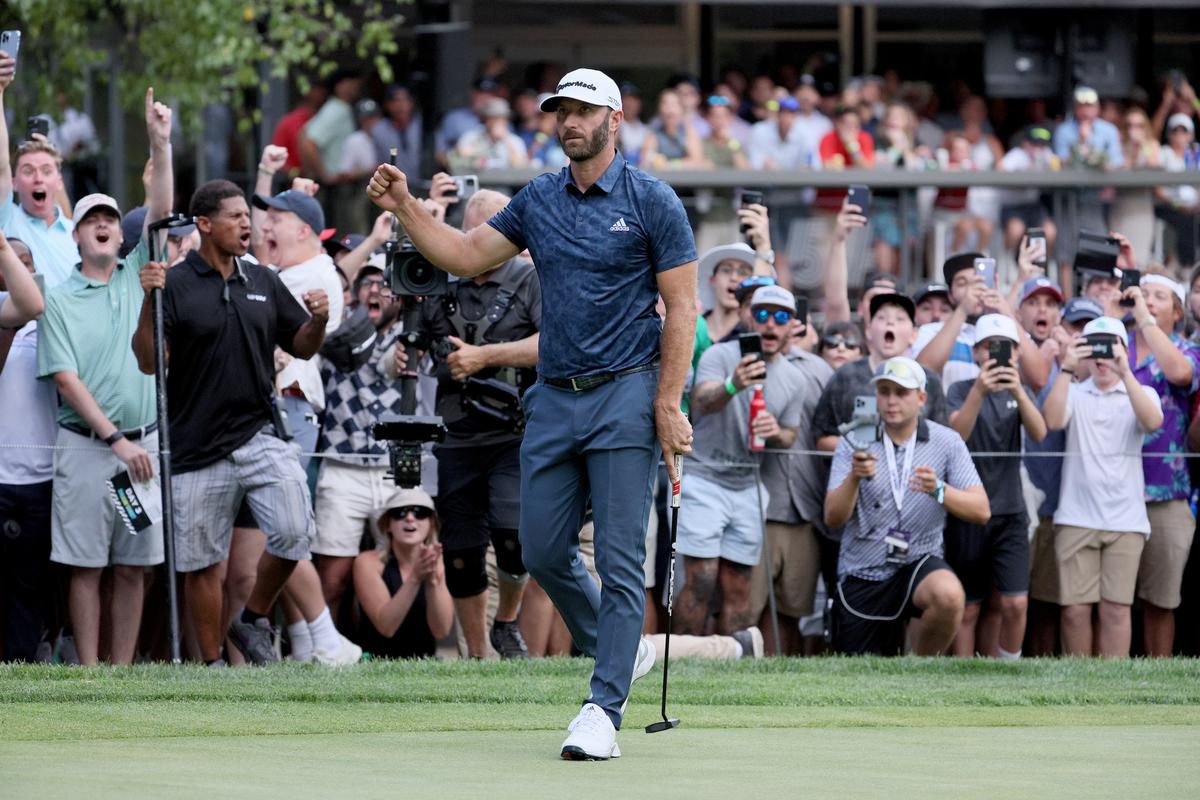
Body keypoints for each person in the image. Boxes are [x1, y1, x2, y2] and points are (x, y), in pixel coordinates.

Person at [367, 67, 697, 761]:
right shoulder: (539, 199)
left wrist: (668, 402)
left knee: (615, 557)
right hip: (551, 397)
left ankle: (601, 710)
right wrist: (405, 207)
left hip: (627, 394)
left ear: (613, 121)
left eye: (581, 111)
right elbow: (459, 253)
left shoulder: (653, 200)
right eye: (560, 111)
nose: (568, 121)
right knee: (541, 551)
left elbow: (684, 310)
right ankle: (622, 649)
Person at [132, 179, 331, 667]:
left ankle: (254, 618)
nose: (248, 223)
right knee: (202, 567)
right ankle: (211, 664)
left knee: (294, 531)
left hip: (259, 432)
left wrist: (318, 321)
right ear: (204, 224)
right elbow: (149, 361)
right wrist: (148, 300)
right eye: (235, 216)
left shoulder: (261, 279)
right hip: (196, 445)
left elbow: (301, 345)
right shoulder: (174, 283)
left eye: (249, 215)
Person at [35, 90, 173, 666]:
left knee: (134, 566)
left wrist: (160, 143)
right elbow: (65, 379)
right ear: (76, 234)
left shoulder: (134, 275)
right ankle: (89, 676)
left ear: (121, 234)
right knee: (87, 567)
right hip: (92, 449)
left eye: (109, 220)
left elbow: (160, 203)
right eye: (91, 218)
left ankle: (120, 676)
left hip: (141, 442)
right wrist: (116, 441)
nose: (101, 226)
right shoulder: (59, 298)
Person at [412, 190, 541, 660]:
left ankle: (506, 620)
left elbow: (554, 343)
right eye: (468, 234)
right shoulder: (442, 281)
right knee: (462, 550)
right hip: (457, 434)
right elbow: (410, 339)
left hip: (514, 432)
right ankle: (477, 654)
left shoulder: (531, 278)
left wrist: (484, 356)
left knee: (513, 539)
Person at [824, 357, 990, 655]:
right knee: (857, 678)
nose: (891, 401)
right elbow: (832, 518)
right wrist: (854, 478)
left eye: (901, 393)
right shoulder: (853, 439)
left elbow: (981, 510)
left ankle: (918, 669)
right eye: (884, 391)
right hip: (864, 568)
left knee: (949, 595)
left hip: (918, 559)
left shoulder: (947, 441)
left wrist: (938, 489)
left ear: (921, 398)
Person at [679, 285, 804, 638]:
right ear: (749, 316)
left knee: (738, 586)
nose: (770, 324)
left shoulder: (795, 379)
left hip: (748, 486)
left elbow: (792, 434)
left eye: (780, 317)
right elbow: (701, 401)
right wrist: (733, 385)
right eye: (762, 314)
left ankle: (729, 664)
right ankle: (687, 658)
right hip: (704, 478)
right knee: (701, 578)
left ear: (792, 324)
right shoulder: (721, 355)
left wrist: (776, 431)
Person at [1044, 317, 1162, 657]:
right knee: (1074, 611)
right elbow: (1052, 421)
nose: (1101, 356)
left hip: (1126, 519)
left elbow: (1152, 422)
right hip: (1076, 515)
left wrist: (1126, 373)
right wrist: (1066, 369)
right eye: (1093, 346)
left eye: (1109, 347)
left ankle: (1113, 688)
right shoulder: (1074, 391)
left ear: (1125, 350)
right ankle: (1080, 687)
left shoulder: (1142, 392)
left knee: (1116, 608)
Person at [946, 315, 1047, 659]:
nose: (996, 354)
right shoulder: (960, 389)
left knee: (1016, 602)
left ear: (1017, 354)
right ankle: (962, 680)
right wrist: (980, 390)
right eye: (988, 347)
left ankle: (1010, 670)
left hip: (1010, 510)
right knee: (970, 607)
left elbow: (1039, 433)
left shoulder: (1020, 392)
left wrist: (1017, 388)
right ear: (975, 352)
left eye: (1005, 347)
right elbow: (958, 433)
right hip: (968, 512)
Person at [1123, 273, 1200, 656]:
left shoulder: (1188, 351)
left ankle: (1158, 682)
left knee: (1160, 602)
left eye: (1158, 296)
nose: (1147, 300)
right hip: (1112, 493)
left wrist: (1146, 321)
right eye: (1142, 294)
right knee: (1113, 603)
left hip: (1166, 494)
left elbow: (1179, 374)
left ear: (1177, 310)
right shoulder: (1115, 345)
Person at [1023, 296, 1102, 656]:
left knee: (1053, 605)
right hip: (1028, 502)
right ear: (1060, 327)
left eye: (1090, 331)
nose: (1080, 337)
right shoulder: (1039, 363)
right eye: (1075, 328)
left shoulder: (1098, 373)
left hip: (1070, 507)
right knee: (1022, 602)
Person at [0, 233, 49, 661]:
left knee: (30, 584)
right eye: (8, 260)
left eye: (25, 260)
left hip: (42, 475)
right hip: (1, 475)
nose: (17, 267)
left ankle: (21, 666)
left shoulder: (50, 318)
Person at [914, 252, 1050, 392]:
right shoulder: (933, 330)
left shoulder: (1009, 329)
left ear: (994, 284)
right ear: (951, 295)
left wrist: (1007, 314)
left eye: (980, 281)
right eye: (963, 284)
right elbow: (922, 374)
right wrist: (962, 311)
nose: (973, 289)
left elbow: (1039, 379)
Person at [0, 50, 77, 288]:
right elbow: (1, 164)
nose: (37, 179)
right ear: (13, 182)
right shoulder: (8, 221)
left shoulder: (76, 231)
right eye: (27, 171)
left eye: (46, 171)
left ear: (59, 180)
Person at [353, 487, 454, 659]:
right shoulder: (368, 562)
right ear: (387, 524)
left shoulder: (440, 562)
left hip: (424, 663)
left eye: (419, 513)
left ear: (431, 524)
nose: (409, 518)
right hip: (375, 661)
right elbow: (386, 627)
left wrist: (432, 582)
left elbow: (441, 630)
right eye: (400, 513)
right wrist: (415, 578)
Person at [298, 71, 362, 184]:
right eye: (350, 83)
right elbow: (308, 142)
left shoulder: (341, 108)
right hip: (335, 185)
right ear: (338, 86)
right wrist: (323, 176)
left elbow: (303, 133)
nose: (354, 87)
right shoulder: (335, 110)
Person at [452, 98, 528, 172]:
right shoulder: (471, 137)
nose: (498, 122)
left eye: (502, 118)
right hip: (480, 183)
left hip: (507, 183)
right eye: (494, 118)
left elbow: (520, 165)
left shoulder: (515, 141)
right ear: (485, 119)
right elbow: (460, 159)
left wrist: (505, 139)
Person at [371, 85, 423, 182]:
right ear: (387, 105)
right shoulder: (379, 130)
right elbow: (380, 162)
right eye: (395, 101)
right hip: (395, 186)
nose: (400, 105)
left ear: (411, 103)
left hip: (425, 184)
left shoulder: (423, 125)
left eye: (404, 100)